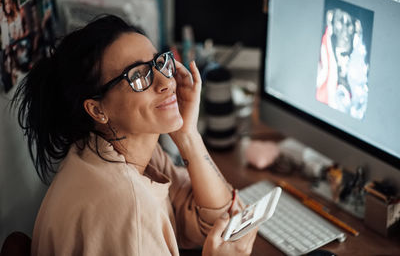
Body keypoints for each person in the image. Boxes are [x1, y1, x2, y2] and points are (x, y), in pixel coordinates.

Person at [12, 14, 257, 255]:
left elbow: (218, 221)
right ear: (98, 109)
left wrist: (187, 135)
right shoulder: (125, 204)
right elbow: (222, 231)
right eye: (138, 76)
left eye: (160, 63)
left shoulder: (118, 150)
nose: (166, 82)